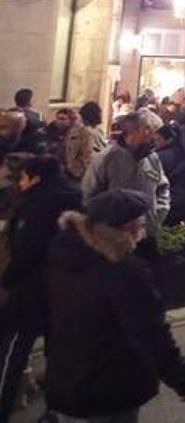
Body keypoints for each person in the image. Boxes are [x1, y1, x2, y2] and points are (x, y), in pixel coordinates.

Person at [45, 189, 185, 419]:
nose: (143, 229)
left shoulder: (65, 256)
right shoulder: (126, 271)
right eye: (141, 223)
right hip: (110, 386)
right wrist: (181, 378)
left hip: (65, 377)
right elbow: (149, 332)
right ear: (129, 227)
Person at [0, 155, 82, 417]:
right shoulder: (76, 194)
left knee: (13, 349)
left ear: (35, 177)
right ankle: (54, 411)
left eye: (24, 178)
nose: (21, 183)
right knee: (58, 352)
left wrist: (7, 277)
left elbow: (28, 249)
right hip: (66, 286)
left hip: (32, 289)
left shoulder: (36, 203)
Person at [83, 108, 171, 247]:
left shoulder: (152, 158)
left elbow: (163, 187)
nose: (155, 138)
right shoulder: (106, 159)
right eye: (152, 131)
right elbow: (88, 195)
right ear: (138, 131)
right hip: (115, 241)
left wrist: (158, 214)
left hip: (147, 238)